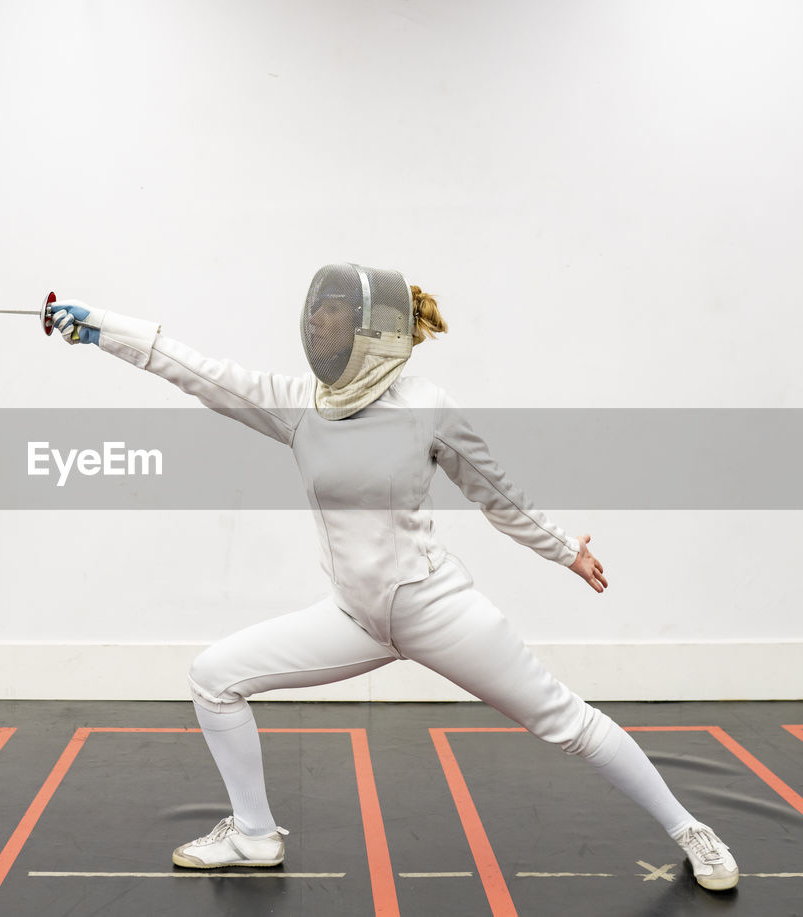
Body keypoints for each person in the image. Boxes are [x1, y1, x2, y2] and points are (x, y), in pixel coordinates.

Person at [48, 263, 739, 891]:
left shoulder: (425, 405)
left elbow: (496, 494)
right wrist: (101, 328)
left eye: (331, 312)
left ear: (370, 329)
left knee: (564, 719)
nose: (315, 322)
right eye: (314, 311)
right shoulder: (298, 404)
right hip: (354, 616)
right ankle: (255, 834)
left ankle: (691, 830)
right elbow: (193, 368)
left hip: (435, 607)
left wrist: (567, 550)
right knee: (214, 675)